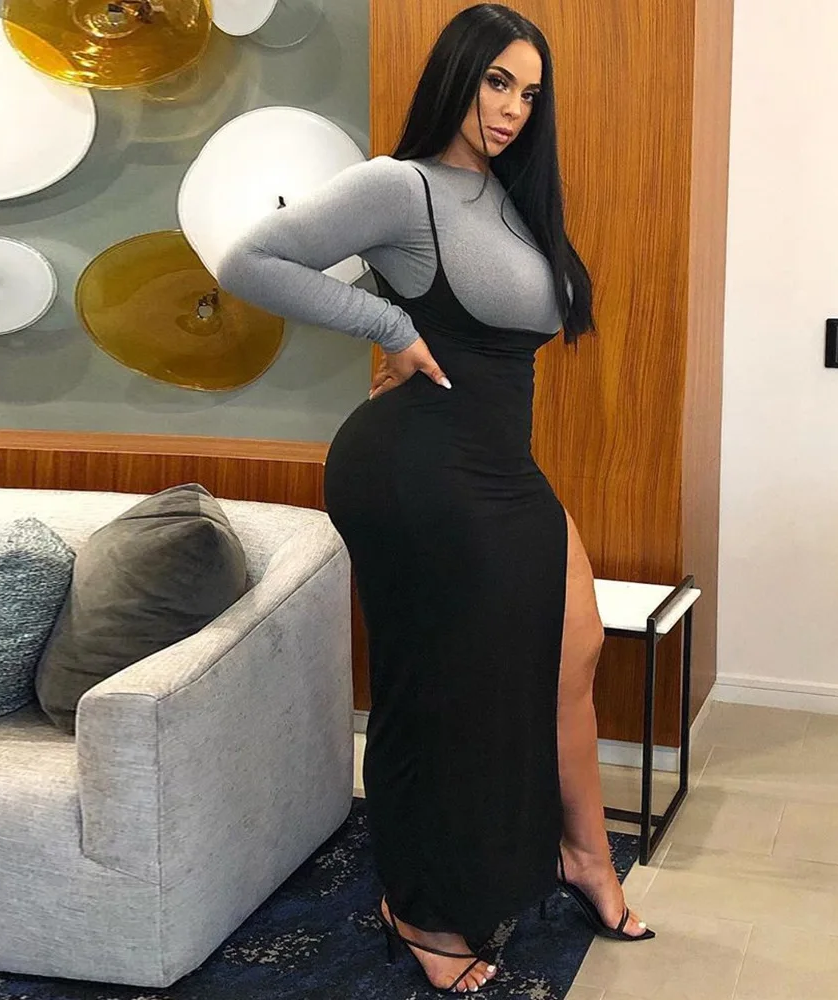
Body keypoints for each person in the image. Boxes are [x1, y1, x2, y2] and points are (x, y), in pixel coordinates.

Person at [218, 4, 653, 993]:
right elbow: (248, 260)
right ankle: (416, 906)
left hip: (497, 461)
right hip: (415, 467)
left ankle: (581, 855)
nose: (512, 108)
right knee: (434, 692)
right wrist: (387, 326)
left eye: (529, 92)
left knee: (574, 649)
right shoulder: (397, 185)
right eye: (497, 81)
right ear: (456, 73)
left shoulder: (509, 195)